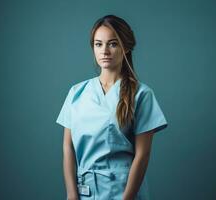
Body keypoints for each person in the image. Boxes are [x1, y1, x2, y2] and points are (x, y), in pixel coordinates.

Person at [56, 14, 168, 200]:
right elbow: (68, 147)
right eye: (99, 44)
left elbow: (143, 155)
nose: (105, 51)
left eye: (113, 44)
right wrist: (71, 193)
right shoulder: (76, 92)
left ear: (126, 47)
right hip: (84, 192)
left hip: (123, 191)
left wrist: (127, 198)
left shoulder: (141, 94)